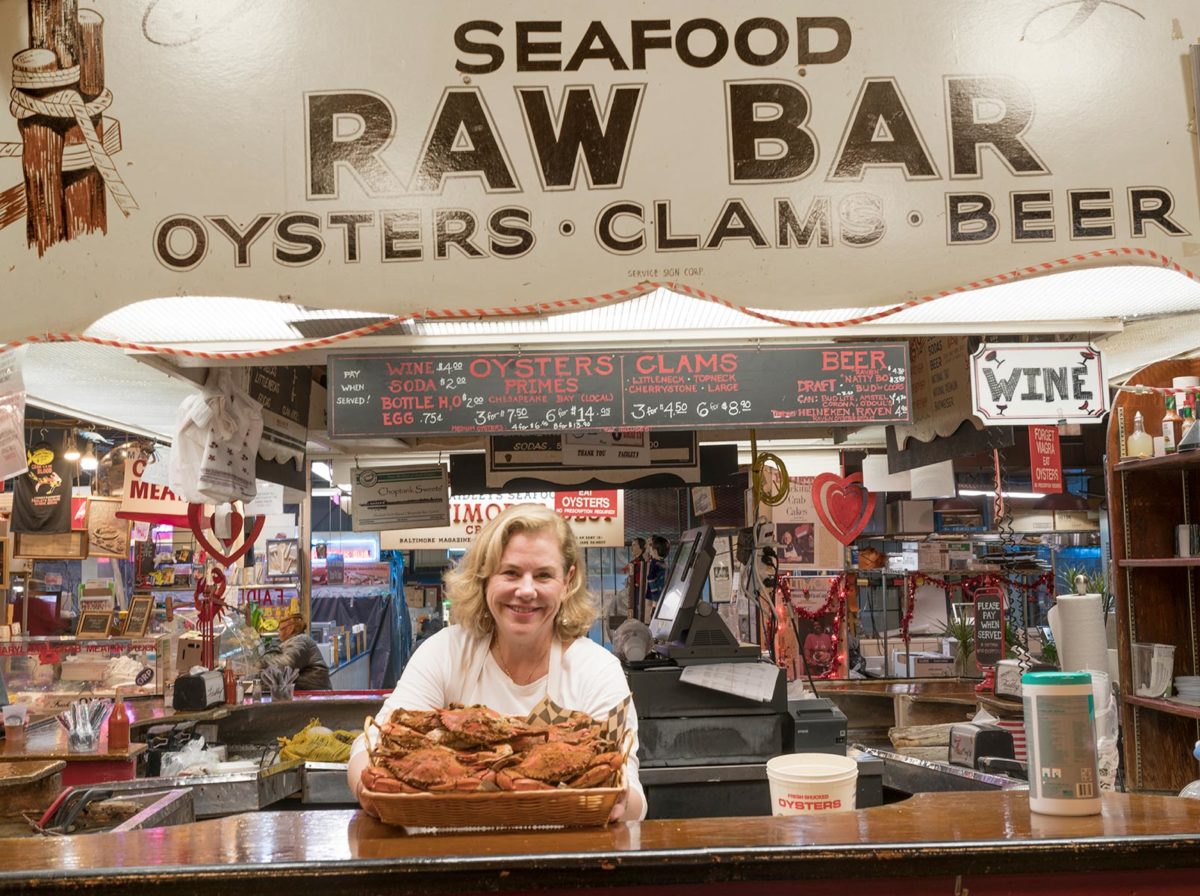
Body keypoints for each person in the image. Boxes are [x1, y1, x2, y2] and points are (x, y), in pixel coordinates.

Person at [347, 503, 646, 822]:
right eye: (511, 573)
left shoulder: (596, 669)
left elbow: (630, 791)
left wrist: (618, 799)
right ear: (485, 576)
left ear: (568, 581)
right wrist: (371, 786)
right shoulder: (445, 653)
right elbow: (373, 745)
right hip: (446, 854)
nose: (526, 590)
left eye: (544, 575)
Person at [260, 612, 332, 691]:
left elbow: (285, 665)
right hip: (310, 694)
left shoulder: (301, 640)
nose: (278, 633)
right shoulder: (295, 641)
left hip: (315, 695)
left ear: (290, 629)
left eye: (280, 629)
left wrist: (262, 663)